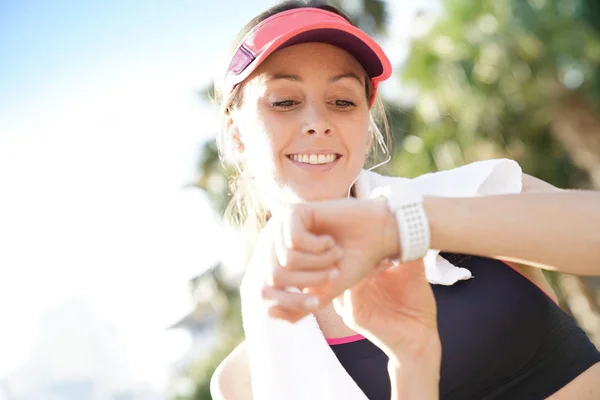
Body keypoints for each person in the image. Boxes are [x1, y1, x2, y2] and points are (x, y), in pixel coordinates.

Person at [209, 1, 600, 399]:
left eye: (342, 101)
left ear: (366, 124)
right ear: (236, 132)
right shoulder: (246, 381)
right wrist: (411, 364)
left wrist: (403, 226)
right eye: (284, 101)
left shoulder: (472, 194)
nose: (318, 123)